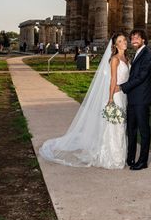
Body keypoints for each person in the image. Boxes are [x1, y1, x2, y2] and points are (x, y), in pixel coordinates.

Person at [39, 32, 129, 169]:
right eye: (121, 41)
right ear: (115, 45)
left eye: (124, 40)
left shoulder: (126, 58)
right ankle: (112, 157)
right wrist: (110, 99)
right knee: (115, 125)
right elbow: (112, 80)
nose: (124, 42)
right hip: (115, 95)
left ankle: (120, 155)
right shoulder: (115, 59)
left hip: (123, 94)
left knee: (121, 125)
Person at [117, 28, 151, 170]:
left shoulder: (148, 55)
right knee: (131, 130)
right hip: (133, 99)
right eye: (132, 38)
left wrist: (122, 87)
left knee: (144, 131)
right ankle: (131, 157)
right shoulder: (137, 54)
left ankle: (143, 161)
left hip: (142, 99)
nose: (133, 41)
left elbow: (141, 77)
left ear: (143, 39)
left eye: (136, 38)